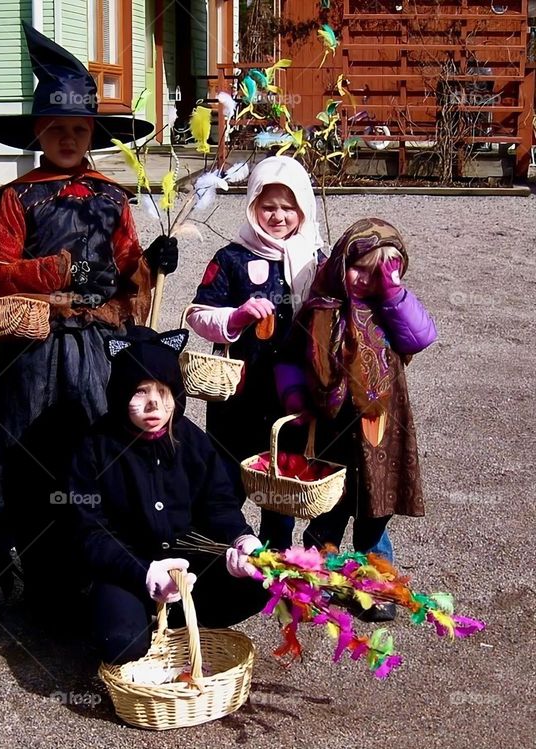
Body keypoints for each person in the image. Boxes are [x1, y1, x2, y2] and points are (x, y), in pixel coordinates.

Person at [0, 23, 178, 620]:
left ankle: (92, 569)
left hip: (98, 347)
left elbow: (129, 273)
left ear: (94, 135)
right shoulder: (18, 198)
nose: (70, 139)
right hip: (33, 349)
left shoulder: (113, 199)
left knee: (92, 452)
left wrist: (151, 264)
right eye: (58, 130)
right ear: (38, 134)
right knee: (15, 454)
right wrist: (53, 270)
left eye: (80, 130)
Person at [69, 327, 266, 664]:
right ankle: (130, 613)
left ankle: (178, 618)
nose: (154, 404)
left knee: (256, 581)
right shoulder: (95, 448)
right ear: (120, 395)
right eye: (140, 392)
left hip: (187, 563)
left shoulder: (192, 440)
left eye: (163, 391)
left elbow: (218, 502)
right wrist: (143, 573)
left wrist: (240, 537)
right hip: (128, 568)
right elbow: (90, 531)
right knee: (120, 644)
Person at [295, 218, 436, 621]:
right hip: (335, 427)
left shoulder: (388, 308)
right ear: (341, 260)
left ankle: (374, 586)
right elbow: (294, 358)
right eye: (360, 267)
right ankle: (319, 578)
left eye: (379, 273)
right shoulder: (322, 306)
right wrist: (295, 395)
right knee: (332, 509)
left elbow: (421, 336)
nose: (364, 279)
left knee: (375, 512)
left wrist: (392, 291)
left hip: (381, 434)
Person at [184, 156, 324, 550]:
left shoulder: (315, 260)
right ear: (251, 206)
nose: (277, 216)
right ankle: (221, 549)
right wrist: (237, 316)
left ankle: (276, 553)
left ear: (303, 209)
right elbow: (198, 314)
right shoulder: (231, 258)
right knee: (228, 472)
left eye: (287, 207)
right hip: (240, 392)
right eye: (268, 206)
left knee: (281, 474)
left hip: (291, 390)